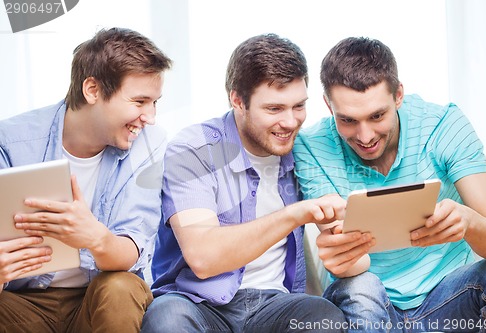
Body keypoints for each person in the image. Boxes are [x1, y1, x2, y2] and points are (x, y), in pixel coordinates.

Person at [141, 33, 346, 333]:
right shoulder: (194, 148)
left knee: (323, 317)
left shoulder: (305, 149)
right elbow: (203, 257)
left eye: (298, 106)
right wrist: (296, 213)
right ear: (237, 100)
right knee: (168, 320)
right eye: (274, 109)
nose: (290, 122)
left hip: (276, 304)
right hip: (198, 302)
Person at [293, 36, 486, 332]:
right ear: (328, 105)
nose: (365, 137)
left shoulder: (443, 125)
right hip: (367, 302)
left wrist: (470, 223)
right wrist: (341, 259)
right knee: (360, 288)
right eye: (348, 120)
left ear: (398, 95)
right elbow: (351, 265)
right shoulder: (311, 146)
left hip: (451, 297)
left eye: (377, 116)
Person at [0, 27, 172, 332]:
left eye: (154, 103)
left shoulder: (149, 143)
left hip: (96, 298)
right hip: (21, 301)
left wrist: (94, 237)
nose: (150, 117)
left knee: (122, 287)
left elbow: (133, 250)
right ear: (92, 90)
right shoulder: (11, 143)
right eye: (139, 101)